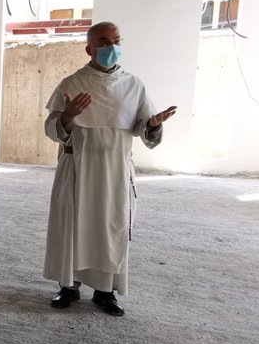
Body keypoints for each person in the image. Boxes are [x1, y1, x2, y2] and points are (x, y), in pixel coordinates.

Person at [42, 21, 177, 317]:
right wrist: (67, 116)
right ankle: (69, 286)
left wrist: (153, 124)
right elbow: (51, 129)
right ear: (89, 49)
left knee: (111, 228)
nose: (111, 47)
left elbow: (143, 127)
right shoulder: (71, 83)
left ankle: (105, 291)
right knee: (73, 226)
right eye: (103, 42)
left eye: (116, 40)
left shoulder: (133, 85)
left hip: (115, 169)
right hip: (77, 166)